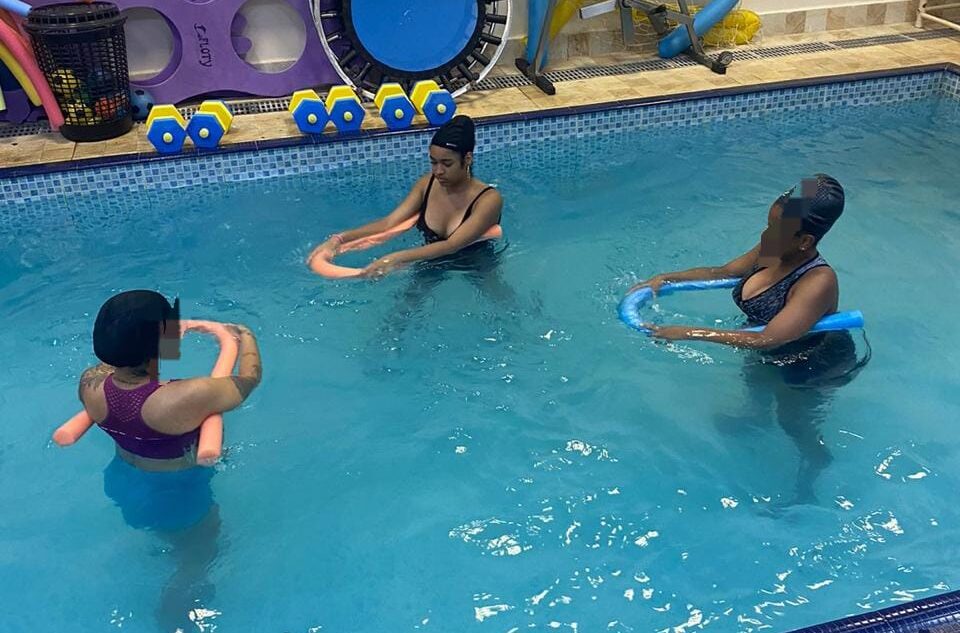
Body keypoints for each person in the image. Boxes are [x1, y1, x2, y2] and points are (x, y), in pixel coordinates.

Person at [629, 174, 869, 502]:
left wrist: (690, 333)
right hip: (767, 343)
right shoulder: (775, 249)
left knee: (792, 421)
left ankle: (815, 459)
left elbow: (767, 338)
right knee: (756, 383)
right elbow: (724, 272)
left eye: (776, 229)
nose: (765, 236)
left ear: (805, 241)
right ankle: (755, 417)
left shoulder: (817, 282)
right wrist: (665, 278)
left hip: (810, 359)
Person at [78, 290, 262, 472]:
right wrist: (245, 334)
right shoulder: (189, 395)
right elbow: (250, 378)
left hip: (121, 470)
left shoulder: (88, 384)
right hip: (181, 483)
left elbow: (118, 354)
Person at [312, 115, 504, 279]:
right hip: (430, 257)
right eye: (433, 162)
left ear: (467, 159)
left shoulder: (488, 200)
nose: (438, 171)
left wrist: (395, 258)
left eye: (447, 164)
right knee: (406, 304)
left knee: (499, 301)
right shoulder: (427, 184)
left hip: (476, 260)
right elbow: (389, 222)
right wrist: (338, 239)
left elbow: (452, 245)